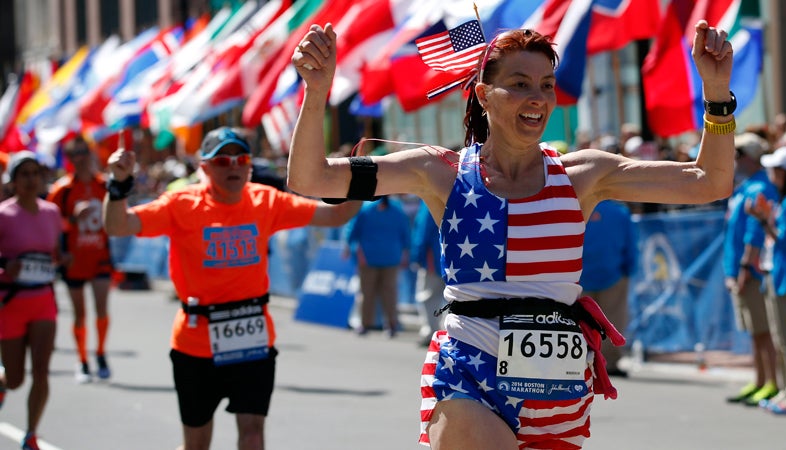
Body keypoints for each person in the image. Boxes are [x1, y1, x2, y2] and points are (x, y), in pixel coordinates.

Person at [288, 20, 735, 449]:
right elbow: (312, 178)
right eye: (519, 83)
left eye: (546, 85)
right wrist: (317, 93)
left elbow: (708, 182)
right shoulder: (439, 171)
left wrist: (716, 96)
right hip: (469, 371)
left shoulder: (585, 174)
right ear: (484, 94)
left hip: (559, 391)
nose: (537, 97)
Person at [102, 126, 361, 450]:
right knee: (197, 443)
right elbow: (118, 226)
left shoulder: (264, 199)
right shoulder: (180, 203)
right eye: (223, 160)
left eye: (241, 159)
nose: (234, 166)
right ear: (205, 167)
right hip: (195, 343)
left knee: (252, 435)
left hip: (252, 338)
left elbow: (335, 216)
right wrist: (119, 185)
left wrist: (359, 178)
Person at [0, 151, 63, 450]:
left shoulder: (51, 212)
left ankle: (31, 434)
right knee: (15, 380)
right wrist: (5, 267)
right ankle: (3, 384)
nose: (30, 179)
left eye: (35, 173)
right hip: (10, 303)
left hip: (43, 300)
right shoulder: (3, 214)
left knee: (41, 369)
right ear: (12, 181)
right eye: (23, 173)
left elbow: (54, 253)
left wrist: (63, 258)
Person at [47, 136, 115, 383]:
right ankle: (82, 359)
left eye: (83, 152)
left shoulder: (104, 185)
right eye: (74, 154)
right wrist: (72, 219)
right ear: (69, 159)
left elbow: (118, 217)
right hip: (74, 260)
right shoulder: (61, 190)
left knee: (101, 309)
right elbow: (49, 226)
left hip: (100, 257)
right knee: (80, 313)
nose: (80, 158)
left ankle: (101, 353)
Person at [722, 132, 779, 405]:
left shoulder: (759, 188)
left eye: (737, 155)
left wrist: (744, 268)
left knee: (764, 331)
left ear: (749, 157)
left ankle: (772, 383)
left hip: (752, 273)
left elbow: (754, 233)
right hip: (740, 271)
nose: (734, 161)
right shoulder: (745, 188)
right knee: (755, 332)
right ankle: (759, 381)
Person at [746, 145, 786, 415]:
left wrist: (764, 220)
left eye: (777, 170)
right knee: (785, 343)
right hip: (783, 279)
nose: (772, 174)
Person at [579, 199, 636, 377]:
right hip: (613, 275)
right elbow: (631, 244)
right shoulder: (620, 212)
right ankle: (609, 363)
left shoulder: (579, 204)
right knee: (613, 320)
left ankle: (579, 361)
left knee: (580, 321)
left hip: (580, 275)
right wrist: (629, 269)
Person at [344, 194, 410, 337]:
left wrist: (348, 246)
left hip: (368, 256)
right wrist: (405, 252)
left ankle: (365, 324)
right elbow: (405, 233)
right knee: (390, 292)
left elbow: (353, 230)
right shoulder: (397, 209)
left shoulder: (366, 208)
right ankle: (391, 324)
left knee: (367, 292)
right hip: (392, 256)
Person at [410, 201, 446, 346]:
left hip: (434, 257)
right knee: (455, 299)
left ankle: (431, 333)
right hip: (458, 259)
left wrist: (418, 255)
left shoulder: (430, 198)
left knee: (428, 296)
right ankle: (450, 334)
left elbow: (423, 229)